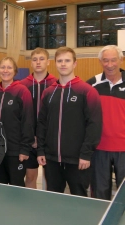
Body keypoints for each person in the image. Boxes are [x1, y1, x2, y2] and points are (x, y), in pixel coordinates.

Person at [37, 47, 102, 196]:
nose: (63, 64)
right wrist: (41, 149)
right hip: (52, 159)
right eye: (60, 61)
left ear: (74, 64)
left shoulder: (87, 91)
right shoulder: (48, 92)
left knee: (79, 199)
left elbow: (94, 124)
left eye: (67, 60)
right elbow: (42, 123)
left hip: (78, 160)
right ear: (55, 63)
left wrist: (86, 154)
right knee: (53, 198)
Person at [87, 45, 125, 200]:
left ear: (121, 60)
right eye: (105, 61)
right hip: (99, 149)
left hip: (124, 149)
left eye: (113, 60)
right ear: (100, 62)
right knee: (100, 194)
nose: (110, 65)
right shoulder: (91, 84)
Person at [0, 57, 34, 187]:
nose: (5, 70)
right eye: (2, 67)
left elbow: (28, 121)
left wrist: (25, 149)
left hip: (15, 151)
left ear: (15, 71)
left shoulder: (22, 91)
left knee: (16, 187)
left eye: (9, 67)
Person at [20, 47, 57, 189]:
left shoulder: (56, 84)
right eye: (35, 59)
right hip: (28, 141)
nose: (38, 62)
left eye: (42, 59)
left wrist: (41, 138)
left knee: (51, 179)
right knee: (30, 177)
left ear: (48, 62)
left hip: (48, 140)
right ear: (31, 63)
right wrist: (31, 137)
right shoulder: (23, 85)